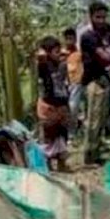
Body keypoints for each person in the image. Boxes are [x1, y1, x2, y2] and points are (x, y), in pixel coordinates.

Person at [80, 1, 110, 165]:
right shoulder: (88, 36)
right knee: (93, 121)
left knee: (102, 120)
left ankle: (96, 152)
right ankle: (89, 155)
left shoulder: (103, 35)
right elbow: (105, 58)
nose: (101, 20)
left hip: (104, 80)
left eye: (103, 17)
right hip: (93, 81)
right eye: (98, 17)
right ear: (91, 16)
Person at [36, 36, 71, 172]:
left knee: (62, 134)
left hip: (61, 104)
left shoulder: (62, 65)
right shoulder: (43, 66)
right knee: (49, 136)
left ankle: (62, 162)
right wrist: (43, 54)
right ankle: (48, 163)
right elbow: (39, 57)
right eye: (56, 52)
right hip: (48, 106)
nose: (59, 54)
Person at [62, 27, 84, 137]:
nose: (70, 41)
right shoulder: (62, 54)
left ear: (75, 39)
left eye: (72, 38)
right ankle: (69, 130)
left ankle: (72, 132)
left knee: (73, 107)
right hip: (65, 84)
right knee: (67, 109)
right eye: (67, 39)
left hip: (77, 83)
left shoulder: (79, 53)